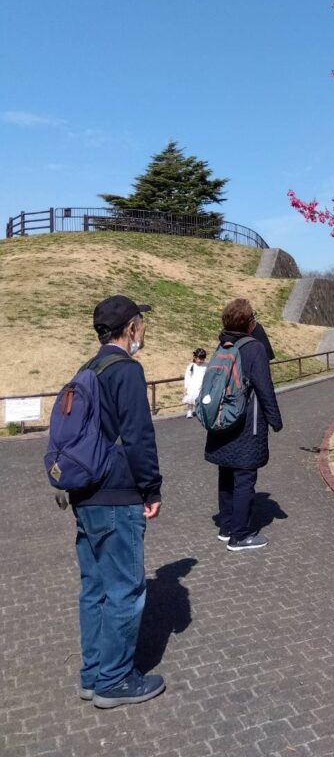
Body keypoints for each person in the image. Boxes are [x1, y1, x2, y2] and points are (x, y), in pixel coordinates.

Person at [68, 295, 165, 709]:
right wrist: (152, 488)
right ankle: (116, 679)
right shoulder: (126, 370)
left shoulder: (87, 369)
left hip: (85, 495)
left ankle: (93, 674)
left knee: (94, 588)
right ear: (130, 328)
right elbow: (139, 437)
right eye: (140, 324)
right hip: (117, 494)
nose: (142, 331)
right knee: (125, 589)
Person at [204, 298, 283, 551]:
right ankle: (241, 535)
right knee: (245, 477)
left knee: (226, 474)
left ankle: (226, 527)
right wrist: (275, 420)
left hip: (222, 420)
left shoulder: (223, 345)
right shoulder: (254, 348)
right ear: (249, 323)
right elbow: (264, 387)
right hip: (247, 423)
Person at [182, 347, 207, 417]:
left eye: (202, 359)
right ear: (195, 358)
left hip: (201, 384)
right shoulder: (191, 366)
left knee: (199, 398)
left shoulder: (206, 366)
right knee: (190, 398)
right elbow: (187, 376)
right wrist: (186, 386)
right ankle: (189, 411)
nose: (200, 361)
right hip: (192, 385)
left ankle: (198, 410)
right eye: (199, 358)